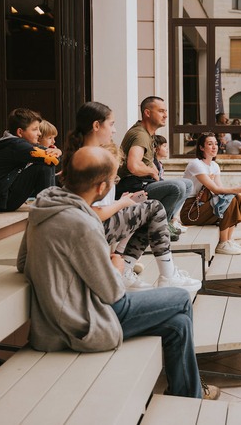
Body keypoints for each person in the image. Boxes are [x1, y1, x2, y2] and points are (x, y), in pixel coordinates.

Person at [16, 146, 219, 399]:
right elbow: (113, 293)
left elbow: (22, 263)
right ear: (101, 187)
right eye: (114, 180)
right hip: (80, 323)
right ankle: (191, 395)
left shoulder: (44, 205)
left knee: (178, 325)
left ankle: (188, 393)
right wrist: (115, 266)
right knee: (179, 299)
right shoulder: (82, 224)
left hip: (56, 318)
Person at [63, 101, 201, 294]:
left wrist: (124, 202)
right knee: (154, 208)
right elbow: (91, 213)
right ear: (96, 126)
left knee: (149, 210)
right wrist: (122, 203)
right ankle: (165, 274)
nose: (114, 130)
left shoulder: (91, 154)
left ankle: (129, 268)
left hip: (94, 224)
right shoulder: (90, 158)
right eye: (111, 124)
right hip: (90, 229)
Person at [116, 96, 193, 241]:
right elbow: (133, 166)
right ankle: (159, 226)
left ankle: (166, 222)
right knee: (177, 187)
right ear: (147, 113)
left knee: (187, 184)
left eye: (166, 111)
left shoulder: (148, 134)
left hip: (143, 184)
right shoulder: (140, 135)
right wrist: (151, 171)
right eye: (161, 111)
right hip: (132, 187)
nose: (165, 115)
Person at [181, 132, 241, 255]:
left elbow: (220, 188)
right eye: (210, 144)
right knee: (230, 199)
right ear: (201, 147)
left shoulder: (214, 165)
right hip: (192, 210)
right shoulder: (196, 164)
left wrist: (239, 192)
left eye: (216, 143)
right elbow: (216, 190)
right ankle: (222, 243)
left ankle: (228, 240)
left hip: (205, 204)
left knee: (236, 198)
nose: (214, 147)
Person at [0, 108, 61, 212]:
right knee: (44, 165)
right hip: (4, 201)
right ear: (20, 132)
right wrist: (57, 153)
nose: (39, 133)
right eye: (35, 129)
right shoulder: (16, 146)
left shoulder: (12, 142)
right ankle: (48, 206)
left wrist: (58, 152)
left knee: (48, 166)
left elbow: (49, 153)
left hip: (0, 199)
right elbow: (50, 159)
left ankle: (49, 202)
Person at [153, 134, 187, 233]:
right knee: (177, 188)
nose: (167, 149)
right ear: (155, 149)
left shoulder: (160, 164)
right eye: (164, 146)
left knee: (184, 186)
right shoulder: (153, 163)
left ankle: (172, 220)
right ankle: (167, 222)